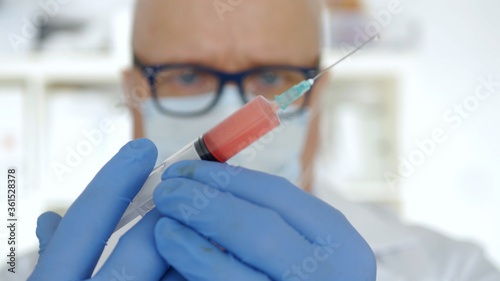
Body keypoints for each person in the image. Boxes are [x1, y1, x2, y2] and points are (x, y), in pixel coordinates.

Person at [15, 0, 500, 280]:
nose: (237, 113)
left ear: (317, 95)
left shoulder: (453, 269)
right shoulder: (35, 271)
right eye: (187, 76)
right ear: (134, 93)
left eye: (272, 76)